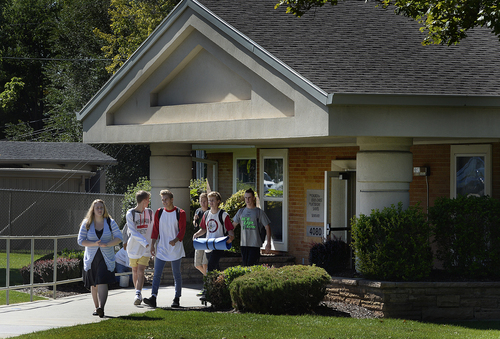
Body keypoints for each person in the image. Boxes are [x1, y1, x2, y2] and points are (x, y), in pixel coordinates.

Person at [77, 199, 123, 318]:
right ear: (93, 209)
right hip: (91, 257)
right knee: (94, 284)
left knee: (102, 280)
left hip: (106, 257)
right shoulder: (87, 223)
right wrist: (95, 243)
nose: (99, 210)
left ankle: (101, 307)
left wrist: (108, 244)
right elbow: (80, 240)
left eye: (101, 208)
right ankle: (96, 306)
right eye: (97, 208)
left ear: (104, 209)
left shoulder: (109, 222)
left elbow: (119, 237)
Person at [143, 189, 186, 308]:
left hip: (175, 248)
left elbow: (182, 230)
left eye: (166, 199)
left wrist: (176, 240)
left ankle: (177, 298)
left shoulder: (180, 212)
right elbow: (155, 229)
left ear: (172, 199)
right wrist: (152, 244)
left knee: (176, 274)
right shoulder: (159, 212)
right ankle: (153, 297)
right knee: (156, 273)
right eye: (162, 200)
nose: (164, 202)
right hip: (161, 248)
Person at [192, 191, 235, 272]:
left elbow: (230, 230)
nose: (210, 202)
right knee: (216, 269)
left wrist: (231, 237)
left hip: (219, 245)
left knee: (210, 268)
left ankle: (208, 284)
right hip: (208, 246)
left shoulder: (224, 215)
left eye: (212, 200)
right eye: (209, 200)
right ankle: (221, 283)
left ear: (218, 201)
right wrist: (196, 234)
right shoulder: (206, 214)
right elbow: (204, 229)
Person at [125, 190, 153, 305]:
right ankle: (138, 293)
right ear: (144, 200)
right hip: (133, 247)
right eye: (148, 199)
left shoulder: (150, 212)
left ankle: (137, 293)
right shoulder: (130, 213)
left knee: (141, 270)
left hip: (146, 248)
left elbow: (154, 228)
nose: (149, 202)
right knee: (135, 270)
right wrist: (143, 242)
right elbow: (132, 231)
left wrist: (151, 245)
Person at [232, 188, 272, 266]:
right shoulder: (241, 211)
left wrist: (268, 243)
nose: (247, 200)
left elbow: (267, 227)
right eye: (246, 198)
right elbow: (233, 226)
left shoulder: (259, 212)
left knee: (252, 265)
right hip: (244, 244)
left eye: (249, 197)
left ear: (253, 198)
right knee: (245, 266)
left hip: (255, 244)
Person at [193, 192, 209, 296]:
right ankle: (210, 278)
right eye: (201, 201)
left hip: (207, 240)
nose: (203, 203)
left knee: (204, 264)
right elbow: (195, 225)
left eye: (204, 201)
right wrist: (195, 220)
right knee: (197, 264)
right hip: (199, 240)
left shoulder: (209, 212)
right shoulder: (198, 211)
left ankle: (207, 286)